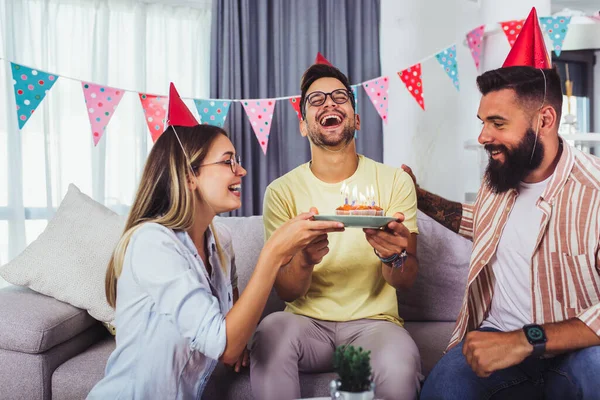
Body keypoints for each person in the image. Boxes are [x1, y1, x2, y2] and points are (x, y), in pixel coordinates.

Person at [86, 84, 343, 399]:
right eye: (228, 162)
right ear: (189, 176)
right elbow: (224, 345)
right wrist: (273, 254)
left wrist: (301, 259)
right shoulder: (152, 243)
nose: (242, 170)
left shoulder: (219, 239)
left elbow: (229, 339)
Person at [410, 8, 600, 400]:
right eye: (482, 122)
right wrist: (418, 197)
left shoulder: (594, 192)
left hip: (575, 351)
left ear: (545, 120)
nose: (483, 136)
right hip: (498, 342)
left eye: (498, 123)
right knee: (444, 387)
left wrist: (526, 339)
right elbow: (482, 223)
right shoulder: (500, 176)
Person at [250, 61, 422, 400]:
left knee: (401, 367)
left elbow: (406, 278)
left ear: (356, 119)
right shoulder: (281, 192)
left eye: (340, 97)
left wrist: (395, 255)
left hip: (374, 324)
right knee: (269, 334)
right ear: (303, 125)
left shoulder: (394, 182)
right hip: (305, 325)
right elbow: (286, 292)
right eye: (316, 100)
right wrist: (304, 259)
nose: (329, 103)